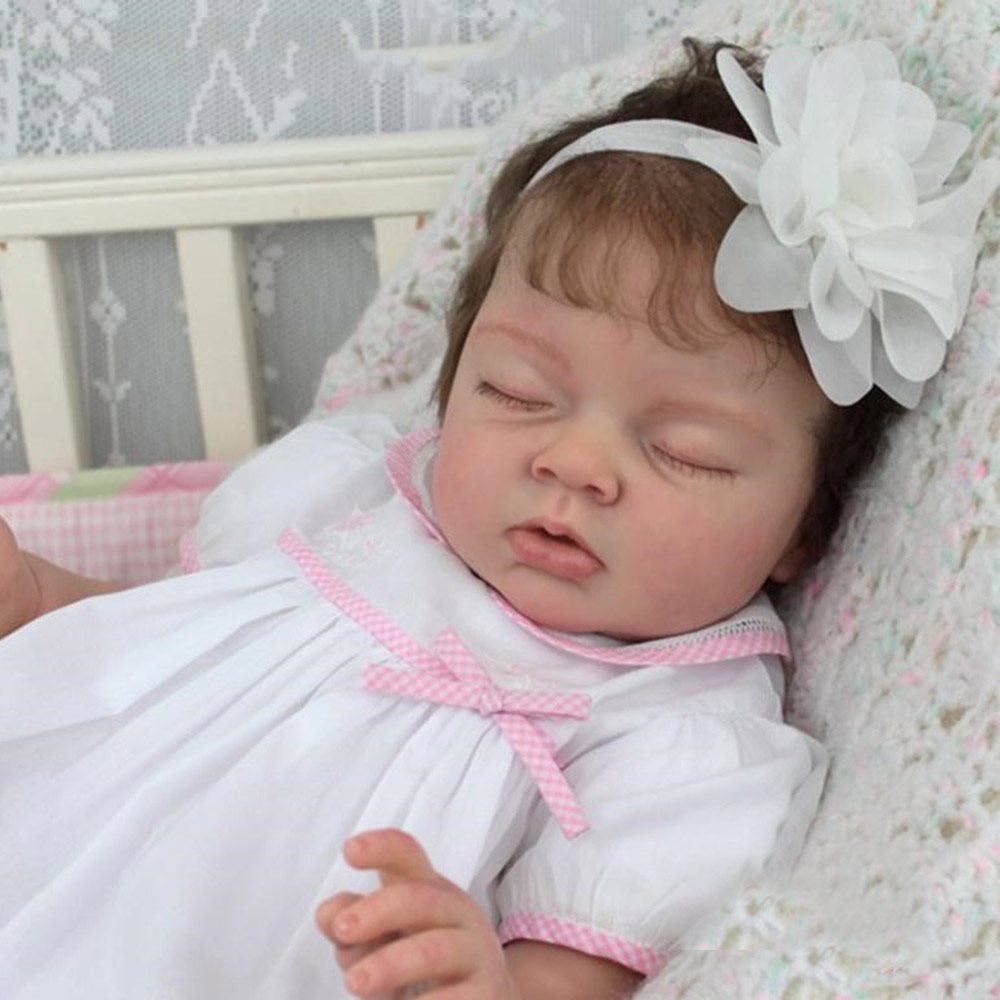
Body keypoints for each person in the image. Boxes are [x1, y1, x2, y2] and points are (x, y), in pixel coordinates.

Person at [0, 36, 995, 1000]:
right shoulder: (360, 496)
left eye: (684, 450)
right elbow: (165, 659)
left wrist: (485, 980)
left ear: (804, 532)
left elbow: (569, 978)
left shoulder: (683, 736)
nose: (573, 464)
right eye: (517, 392)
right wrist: (41, 597)